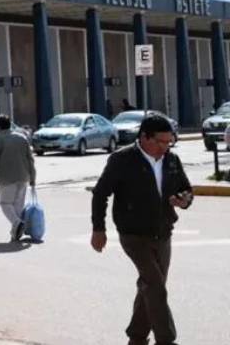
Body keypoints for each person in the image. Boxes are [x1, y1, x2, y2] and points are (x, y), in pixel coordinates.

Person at [91, 114, 193, 345]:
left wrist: (184, 200)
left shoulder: (171, 160)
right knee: (155, 286)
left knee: (150, 286)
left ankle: (136, 337)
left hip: (163, 232)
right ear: (144, 137)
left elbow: (186, 190)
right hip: (133, 235)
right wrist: (99, 229)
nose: (164, 147)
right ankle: (166, 340)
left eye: (169, 142)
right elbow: (100, 194)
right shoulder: (122, 159)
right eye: (160, 142)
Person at [0, 114, 37, 242]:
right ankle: (15, 233)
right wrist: (33, 177)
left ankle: (17, 224)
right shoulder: (22, 138)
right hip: (23, 177)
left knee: (5, 203)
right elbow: (30, 160)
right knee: (17, 206)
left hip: (6, 178)